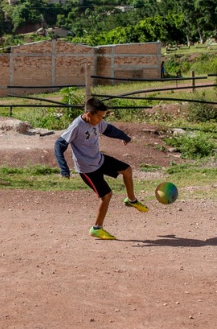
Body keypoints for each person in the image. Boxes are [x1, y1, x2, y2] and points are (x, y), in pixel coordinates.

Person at [55, 97, 148, 240]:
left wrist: (124, 136)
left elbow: (108, 129)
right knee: (106, 195)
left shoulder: (97, 121)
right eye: (98, 116)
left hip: (99, 160)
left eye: (102, 117)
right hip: (87, 169)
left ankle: (131, 200)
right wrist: (64, 168)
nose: (100, 120)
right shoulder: (76, 126)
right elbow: (59, 145)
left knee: (127, 170)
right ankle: (97, 228)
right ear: (88, 114)